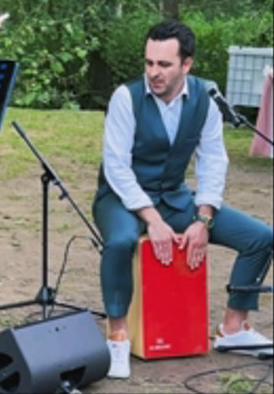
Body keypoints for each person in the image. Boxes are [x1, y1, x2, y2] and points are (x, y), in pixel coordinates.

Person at [93, 20, 274, 379]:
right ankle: (117, 337)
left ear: (186, 65)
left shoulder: (205, 97)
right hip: (120, 198)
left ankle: (234, 329)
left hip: (175, 198)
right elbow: (116, 168)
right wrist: (153, 221)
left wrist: (203, 219)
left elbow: (213, 160)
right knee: (122, 240)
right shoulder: (125, 97)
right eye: (149, 63)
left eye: (164, 65)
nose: (153, 73)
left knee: (261, 237)